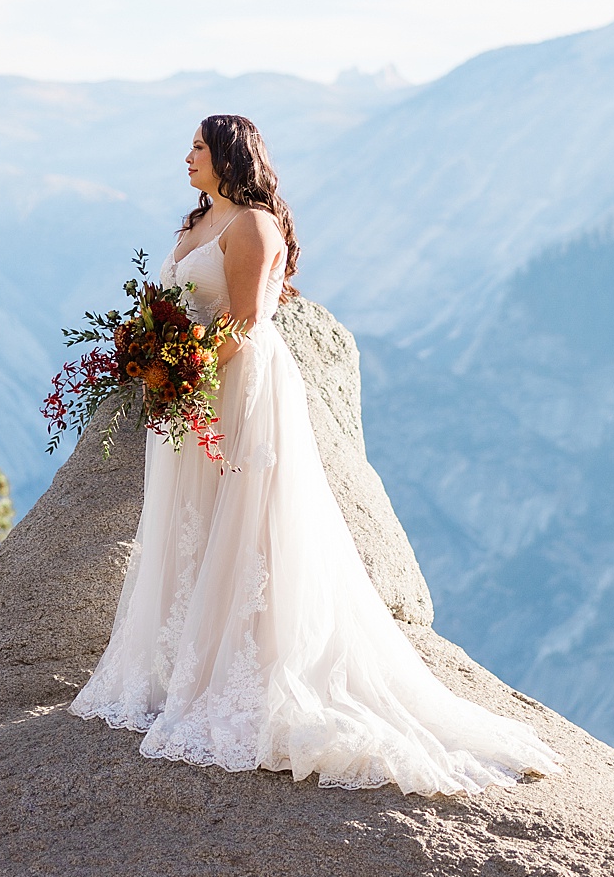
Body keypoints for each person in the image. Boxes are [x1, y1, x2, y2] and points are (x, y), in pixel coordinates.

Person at [69, 113, 562, 795]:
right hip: (190, 394)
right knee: (193, 522)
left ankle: (248, 669)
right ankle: (189, 662)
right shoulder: (192, 225)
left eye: (198, 148)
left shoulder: (252, 227)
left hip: (235, 386)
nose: (186, 157)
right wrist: (149, 354)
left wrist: (183, 371)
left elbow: (242, 322)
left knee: (246, 525)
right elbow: (171, 304)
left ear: (228, 157)